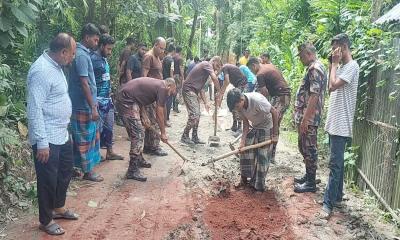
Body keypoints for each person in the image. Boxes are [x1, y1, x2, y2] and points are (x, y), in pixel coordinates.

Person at [27, 33, 79, 236]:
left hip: (61, 132)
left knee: (65, 172)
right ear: (63, 52)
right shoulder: (41, 71)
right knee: (47, 179)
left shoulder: (56, 67)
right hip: (47, 136)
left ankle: (58, 208)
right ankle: (46, 220)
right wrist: (41, 142)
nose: (73, 57)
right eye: (72, 54)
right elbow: (34, 108)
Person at [319, 34, 359, 219]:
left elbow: (333, 85)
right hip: (335, 123)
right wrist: (333, 65)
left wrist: (334, 65)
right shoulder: (342, 67)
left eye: (335, 48)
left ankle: (328, 204)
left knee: (334, 165)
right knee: (339, 164)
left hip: (341, 124)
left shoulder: (352, 67)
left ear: (343, 47)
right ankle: (337, 196)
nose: (333, 52)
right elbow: (329, 87)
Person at [116, 77, 176, 181]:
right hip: (126, 100)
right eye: (171, 92)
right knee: (138, 134)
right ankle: (132, 170)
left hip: (130, 99)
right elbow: (159, 112)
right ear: (169, 86)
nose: (169, 94)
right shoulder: (163, 88)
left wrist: (143, 115)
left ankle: (138, 159)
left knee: (139, 131)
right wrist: (163, 133)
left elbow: (140, 97)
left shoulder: (158, 85)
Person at [69, 23, 103, 182]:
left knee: (87, 138)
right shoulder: (82, 56)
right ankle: (88, 172)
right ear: (87, 37)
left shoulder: (84, 53)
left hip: (86, 104)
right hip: (83, 105)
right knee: (85, 140)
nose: (96, 43)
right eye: (95, 40)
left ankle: (79, 168)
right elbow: (84, 83)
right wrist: (93, 107)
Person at [226, 89, 278, 191]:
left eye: (237, 106)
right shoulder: (239, 107)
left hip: (266, 126)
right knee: (244, 151)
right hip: (254, 126)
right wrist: (242, 142)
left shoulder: (257, 100)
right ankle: (244, 180)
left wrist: (275, 134)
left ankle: (259, 185)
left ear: (241, 99)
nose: (237, 109)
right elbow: (246, 124)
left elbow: (274, 112)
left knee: (262, 157)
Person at [293, 42, 327, 193]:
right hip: (308, 116)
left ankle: (311, 183)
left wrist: (305, 119)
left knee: (309, 148)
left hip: (310, 118)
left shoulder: (315, 69)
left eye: (301, 56)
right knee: (304, 146)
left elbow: (314, 95)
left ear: (308, 53)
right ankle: (308, 176)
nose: (300, 59)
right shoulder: (314, 67)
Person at [247, 57, 291, 164]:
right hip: (280, 96)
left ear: (254, 66)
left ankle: (270, 155)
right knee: (270, 119)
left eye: (251, 70)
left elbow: (264, 93)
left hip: (281, 97)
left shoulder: (260, 74)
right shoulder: (268, 66)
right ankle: (268, 152)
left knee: (273, 122)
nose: (252, 72)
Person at [90, 34, 123, 161]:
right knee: (96, 129)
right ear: (101, 45)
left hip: (107, 99)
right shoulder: (92, 59)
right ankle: (95, 155)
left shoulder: (104, 59)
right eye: (108, 49)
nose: (110, 52)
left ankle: (110, 151)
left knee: (109, 127)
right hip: (97, 100)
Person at [181, 56, 222, 144]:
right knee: (195, 114)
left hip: (194, 91)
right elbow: (214, 78)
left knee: (197, 115)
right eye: (217, 66)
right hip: (189, 90)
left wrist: (206, 102)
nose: (216, 69)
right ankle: (184, 136)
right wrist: (219, 91)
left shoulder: (205, 72)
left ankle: (194, 137)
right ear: (213, 61)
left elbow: (202, 89)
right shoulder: (206, 64)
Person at [142, 37, 168, 156]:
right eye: (161, 48)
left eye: (164, 49)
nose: (163, 51)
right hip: (151, 93)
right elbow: (144, 77)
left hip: (157, 92)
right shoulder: (149, 56)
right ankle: (153, 147)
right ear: (156, 45)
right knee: (154, 120)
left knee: (153, 120)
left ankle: (149, 146)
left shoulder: (157, 57)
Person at [218, 64, 248, 132]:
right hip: (240, 84)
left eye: (217, 70)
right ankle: (234, 125)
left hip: (242, 84)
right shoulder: (226, 67)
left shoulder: (224, 68)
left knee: (238, 104)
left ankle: (239, 127)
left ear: (218, 66)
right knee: (233, 104)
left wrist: (221, 92)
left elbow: (227, 81)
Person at [162, 44, 176, 125]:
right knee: (169, 100)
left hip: (163, 81)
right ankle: (166, 118)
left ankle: (164, 117)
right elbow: (171, 71)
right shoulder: (171, 60)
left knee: (163, 100)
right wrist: (173, 83)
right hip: (169, 83)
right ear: (173, 51)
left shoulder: (164, 59)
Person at [172, 46, 185, 113]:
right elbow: (181, 68)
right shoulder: (180, 58)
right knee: (178, 91)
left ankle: (173, 106)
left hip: (172, 75)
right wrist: (182, 77)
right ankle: (176, 107)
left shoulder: (172, 57)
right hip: (178, 76)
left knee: (173, 90)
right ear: (180, 51)